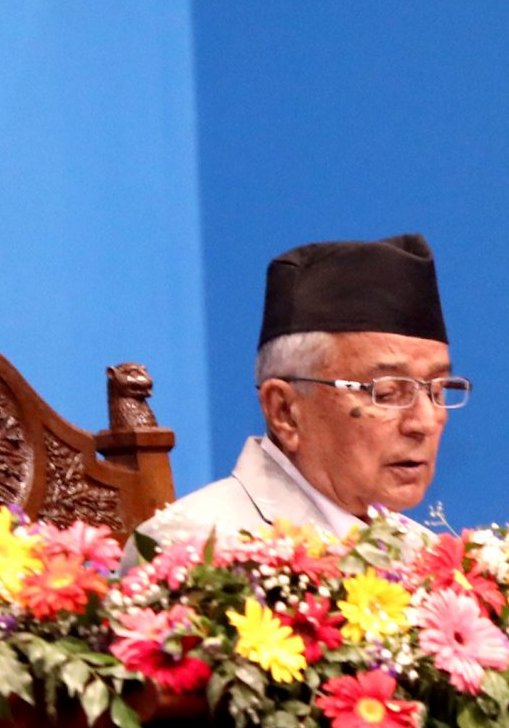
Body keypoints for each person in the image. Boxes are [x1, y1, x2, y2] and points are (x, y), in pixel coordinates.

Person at [138, 233, 461, 551]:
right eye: (387, 393)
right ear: (285, 412)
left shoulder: (426, 555)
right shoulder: (193, 548)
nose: (424, 422)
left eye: (437, 390)